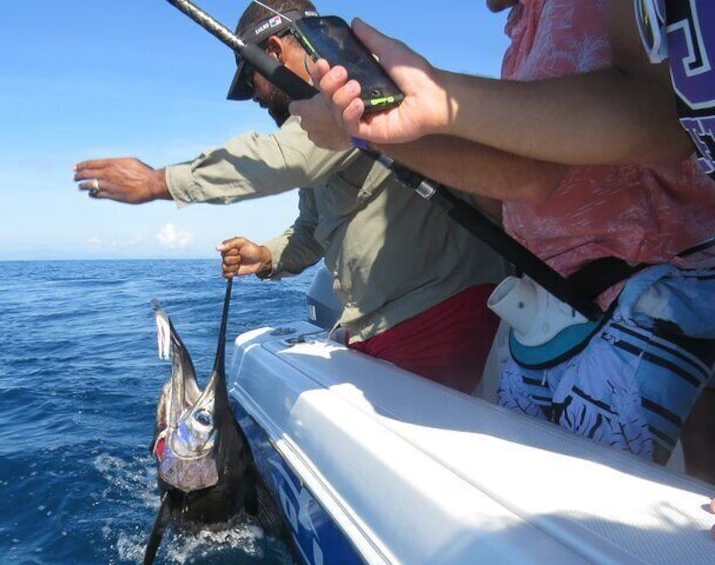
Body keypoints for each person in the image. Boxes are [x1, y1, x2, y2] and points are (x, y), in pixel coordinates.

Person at [290, 0, 715, 478]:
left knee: (567, 513)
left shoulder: (578, 11)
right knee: (514, 491)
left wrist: (400, 117)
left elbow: (544, 167)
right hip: (552, 309)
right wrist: (381, 132)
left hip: (637, 291)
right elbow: (510, 189)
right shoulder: (522, 31)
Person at [73, 0, 506, 394]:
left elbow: (282, 158)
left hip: (439, 315)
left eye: (250, 77)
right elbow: (314, 228)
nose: (256, 97)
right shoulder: (316, 126)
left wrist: (158, 182)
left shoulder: (353, 83)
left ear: (275, 52)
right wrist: (265, 256)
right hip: (383, 324)